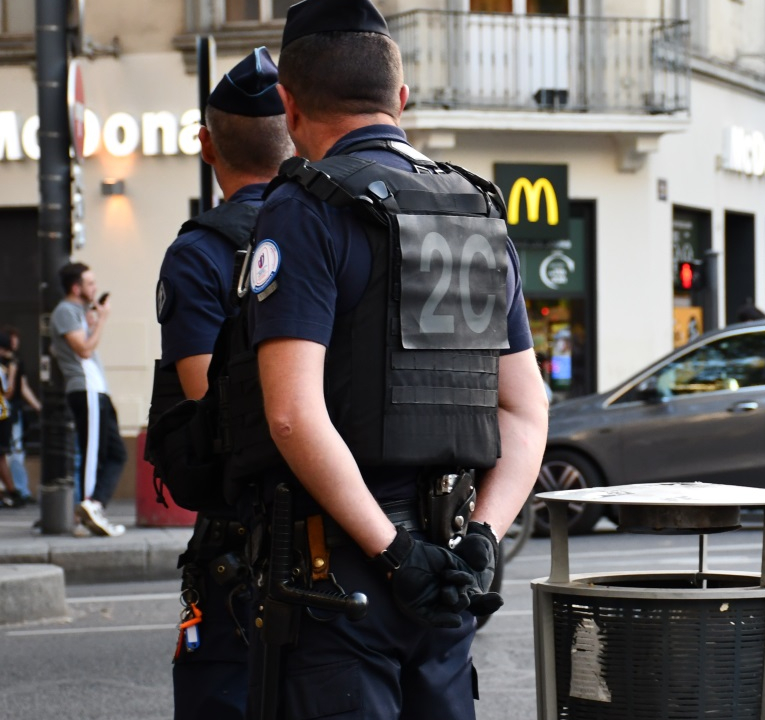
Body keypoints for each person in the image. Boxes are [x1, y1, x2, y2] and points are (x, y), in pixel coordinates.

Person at [242, 1, 548, 715]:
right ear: (400, 99)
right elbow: (526, 406)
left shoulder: (305, 207)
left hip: (341, 570)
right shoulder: (476, 209)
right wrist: (480, 542)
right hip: (450, 566)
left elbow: (291, 414)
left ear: (288, 105)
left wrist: (393, 553)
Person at [152, 47, 294, 720]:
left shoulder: (199, 254)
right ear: (294, 132)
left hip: (244, 538)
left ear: (206, 145)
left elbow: (205, 404)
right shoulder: (334, 227)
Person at [50, 262, 126, 536]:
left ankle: (92, 508)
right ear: (76, 287)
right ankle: (86, 514)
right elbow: (83, 350)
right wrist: (102, 320)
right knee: (93, 455)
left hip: (96, 391)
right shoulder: (65, 311)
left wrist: (92, 321)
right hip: (86, 390)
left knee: (117, 453)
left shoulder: (79, 313)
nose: (94, 288)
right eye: (90, 283)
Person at [1, 326, 39, 506]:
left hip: (10, 412)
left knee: (14, 452)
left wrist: (38, 407)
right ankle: (14, 491)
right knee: (9, 452)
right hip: (5, 412)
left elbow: (22, 388)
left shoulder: (15, 361)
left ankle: (18, 490)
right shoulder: (9, 365)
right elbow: (8, 391)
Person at [0, 333, 20, 506]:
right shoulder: (2, 369)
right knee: (1, 456)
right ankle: (13, 493)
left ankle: (11, 492)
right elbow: (8, 392)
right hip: (2, 415)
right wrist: (12, 374)